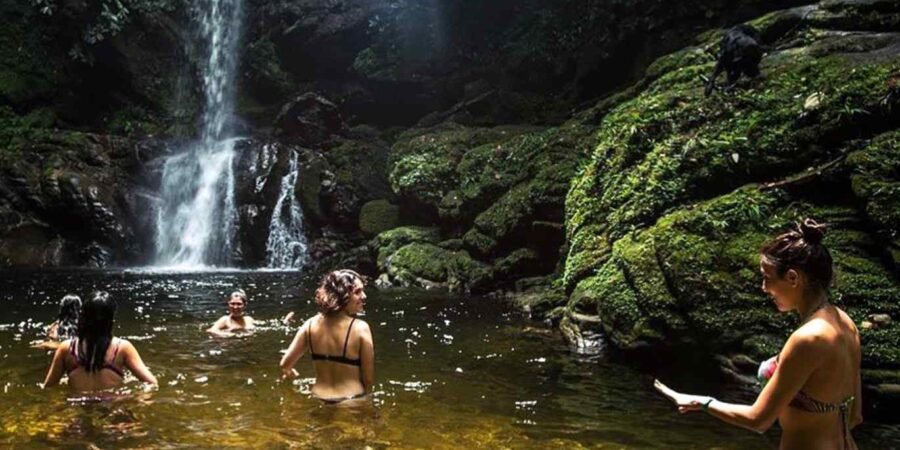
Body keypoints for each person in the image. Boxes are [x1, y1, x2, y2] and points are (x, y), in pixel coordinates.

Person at [655, 219, 862, 449]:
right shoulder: (845, 324)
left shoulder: (808, 339)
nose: (764, 288)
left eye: (767, 277)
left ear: (793, 278)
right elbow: (855, 416)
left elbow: (758, 420)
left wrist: (701, 402)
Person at [280, 269, 375, 404]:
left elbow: (285, 364)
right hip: (351, 401)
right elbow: (368, 379)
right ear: (343, 295)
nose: (364, 296)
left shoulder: (310, 325)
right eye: (358, 292)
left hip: (318, 398)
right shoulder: (360, 328)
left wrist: (291, 375)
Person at [43, 291, 158, 392]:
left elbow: (48, 387)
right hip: (113, 406)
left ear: (83, 317)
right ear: (111, 320)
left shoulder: (66, 348)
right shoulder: (122, 348)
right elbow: (152, 383)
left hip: (78, 407)